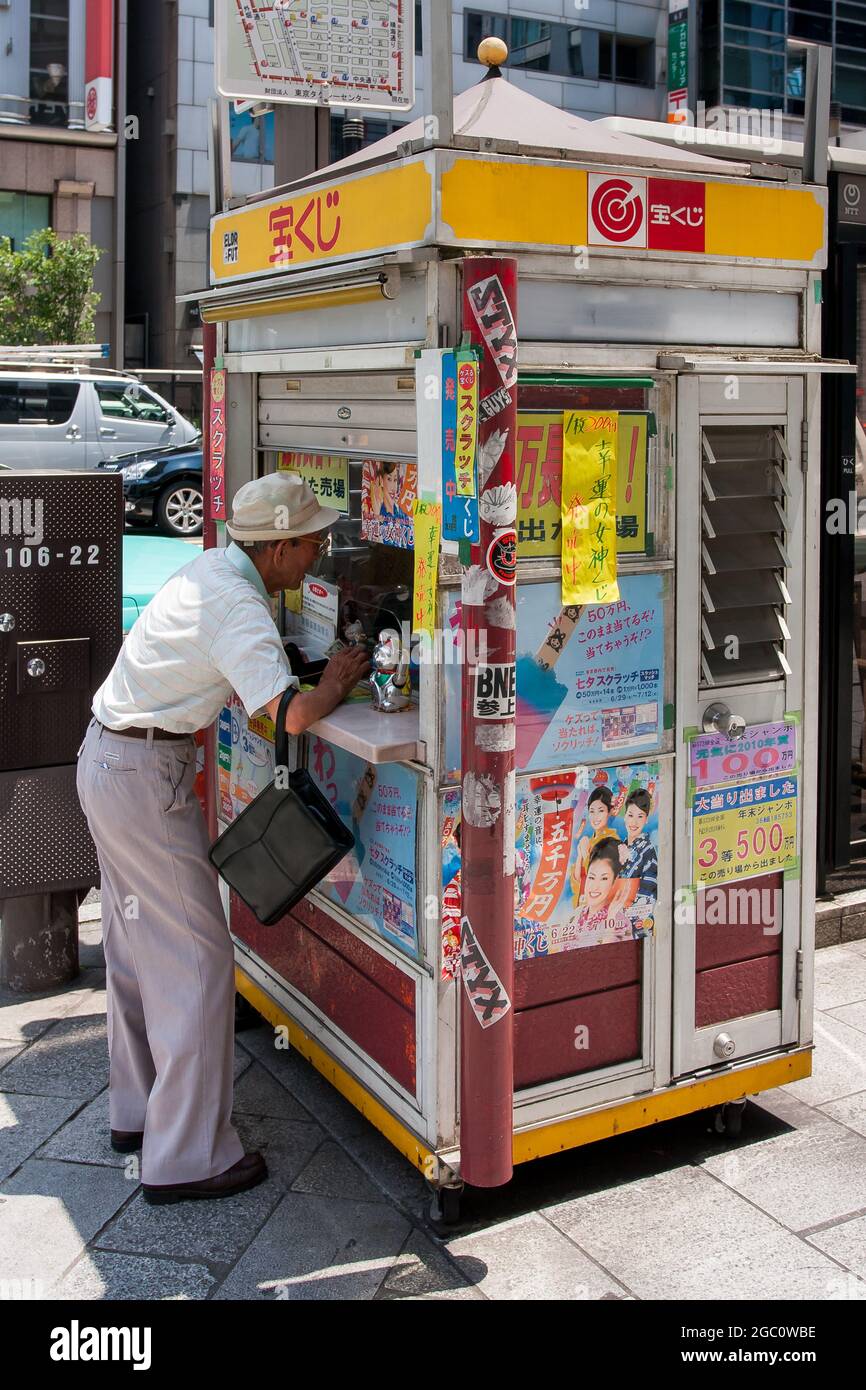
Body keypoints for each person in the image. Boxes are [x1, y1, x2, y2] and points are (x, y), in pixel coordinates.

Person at [76, 473, 370, 1205]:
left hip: (112, 760)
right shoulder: (237, 602)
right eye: (313, 543)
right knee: (201, 963)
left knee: (139, 951)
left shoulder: (212, 566)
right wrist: (333, 681)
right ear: (277, 547)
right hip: (145, 777)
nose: (320, 556)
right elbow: (289, 718)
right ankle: (186, 1159)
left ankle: (138, 1115)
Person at [569, 785, 619, 903]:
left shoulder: (612, 841)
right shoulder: (588, 841)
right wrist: (580, 855)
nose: (595, 816)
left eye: (601, 810)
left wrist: (585, 854)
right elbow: (577, 880)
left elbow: (598, 874)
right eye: (592, 811)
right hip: (583, 905)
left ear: (610, 811)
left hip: (601, 905)